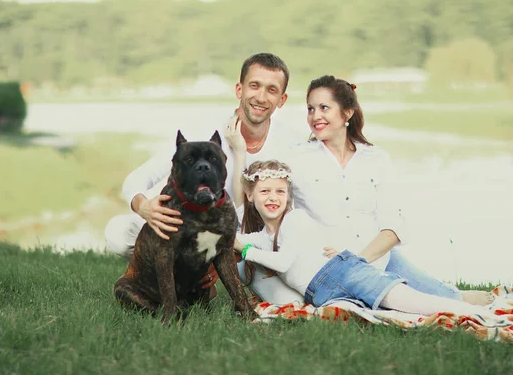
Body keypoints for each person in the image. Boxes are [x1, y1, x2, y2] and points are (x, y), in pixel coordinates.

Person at [226, 74, 492, 306]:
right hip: (328, 266)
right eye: (310, 109)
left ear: (347, 113)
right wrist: (239, 151)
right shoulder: (297, 157)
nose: (315, 116)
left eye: (324, 108)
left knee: (447, 298)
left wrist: (360, 259)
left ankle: (450, 295)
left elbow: (393, 225)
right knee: (414, 302)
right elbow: (256, 193)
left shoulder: (376, 158)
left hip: (378, 257)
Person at [104, 52, 304, 300]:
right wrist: (144, 206)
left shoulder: (292, 144)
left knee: (290, 295)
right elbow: (140, 177)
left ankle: (207, 281)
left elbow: (297, 209)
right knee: (118, 231)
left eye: (271, 90)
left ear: (282, 99)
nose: (261, 97)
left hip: (246, 241)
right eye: (254, 86)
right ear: (239, 89)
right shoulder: (201, 131)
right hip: (183, 231)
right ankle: (176, 278)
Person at [233, 159, 494, 317]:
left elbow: (283, 262)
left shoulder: (295, 219)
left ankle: (480, 314)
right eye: (265, 191)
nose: (273, 197)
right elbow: (236, 237)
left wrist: (244, 251)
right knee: (388, 311)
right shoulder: (264, 237)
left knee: (414, 303)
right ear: (250, 195)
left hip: (341, 273)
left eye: (280, 191)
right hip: (322, 293)